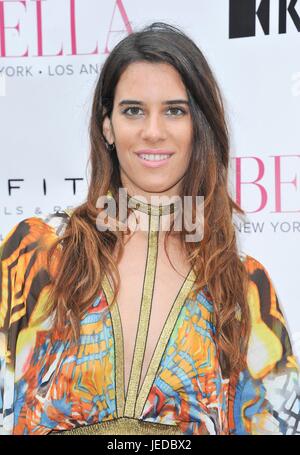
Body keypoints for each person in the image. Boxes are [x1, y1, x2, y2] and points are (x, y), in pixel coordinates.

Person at [0, 22, 299, 436]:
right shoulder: (36, 255)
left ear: (199, 128)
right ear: (107, 126)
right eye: (133, 110)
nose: (152, 131)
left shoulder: (243, 287)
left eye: (174, 110)